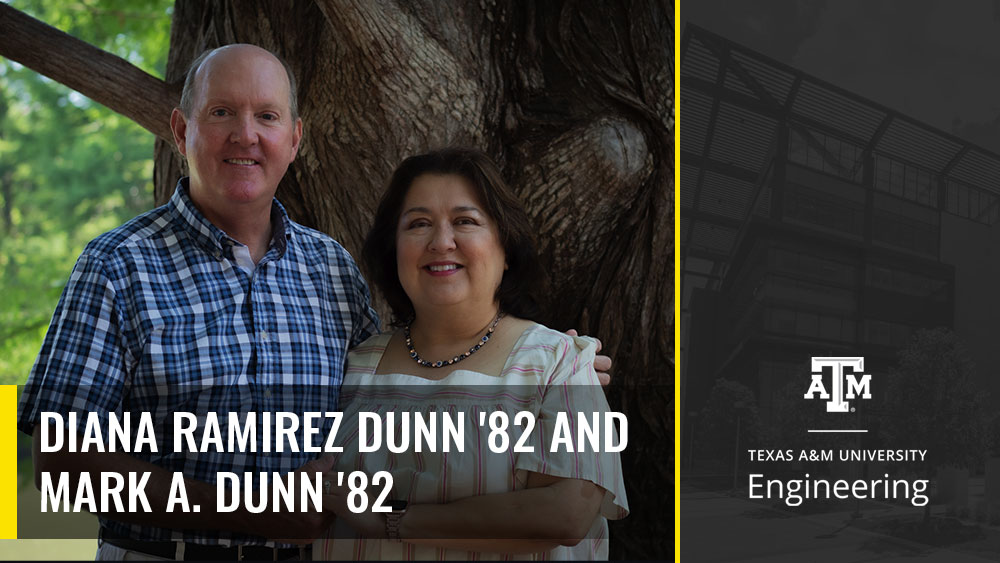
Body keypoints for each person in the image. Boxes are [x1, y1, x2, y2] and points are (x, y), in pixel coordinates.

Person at [17, 45, 612, 560]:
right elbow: (62, 469)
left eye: (267, 116)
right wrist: (256, 510)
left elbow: (400, 376)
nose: (245, 134)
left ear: (294, 138)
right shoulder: (116, 266)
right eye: (221, 112)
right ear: (180, 131)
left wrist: (553, 366)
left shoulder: (330, 269)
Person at [317, 148, 629, 560]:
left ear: (505, 247)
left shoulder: (559, 361)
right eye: (418, 224)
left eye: (465, 221)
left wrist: (395, 520)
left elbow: (565, 514)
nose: (441, 242)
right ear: (393, 251)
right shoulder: (354, 366)